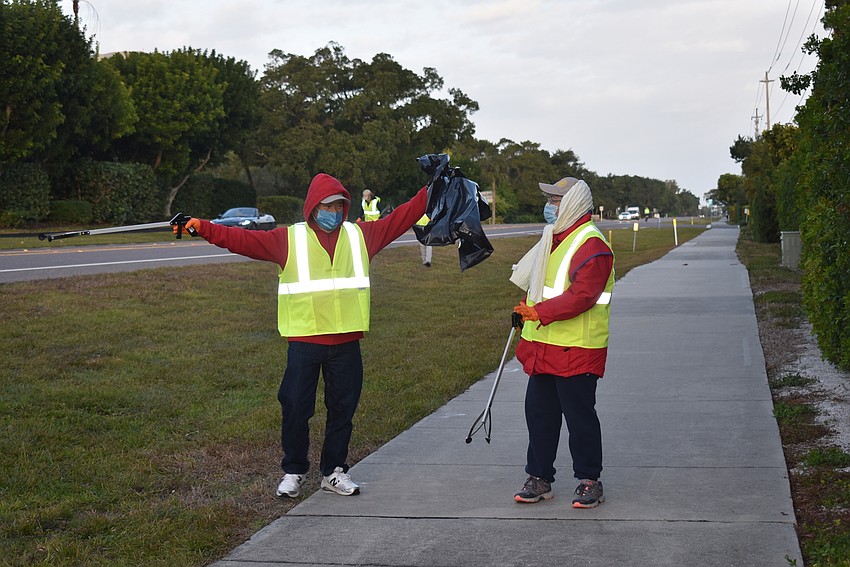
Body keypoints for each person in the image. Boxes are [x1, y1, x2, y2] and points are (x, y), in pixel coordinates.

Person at [176, 174, 427, 498]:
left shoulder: (360, 236)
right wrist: (201, 227)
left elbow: (403, 216)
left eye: (338, 206)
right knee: (295, 407)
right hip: (305, 342)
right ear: (313, 207)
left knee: (343, 410)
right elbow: (241, 239)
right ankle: (293, 470)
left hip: (346, 342)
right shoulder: (289, 239)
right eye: (327, 206)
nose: (333, 213)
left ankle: (333, 472)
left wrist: (432, 188)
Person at [509, 176, 614, 508]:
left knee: (580, 419)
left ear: (573, 204)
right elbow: (543, 286)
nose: (549, 206)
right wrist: (527, 310)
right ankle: (539, 478)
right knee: (539, 416)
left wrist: (539, 312)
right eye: (550, 200)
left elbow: (583, 295)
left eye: (555, 201)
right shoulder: (553, 239)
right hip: (545, 348)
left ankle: (589, 480)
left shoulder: (591, 244)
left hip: (577, 349)